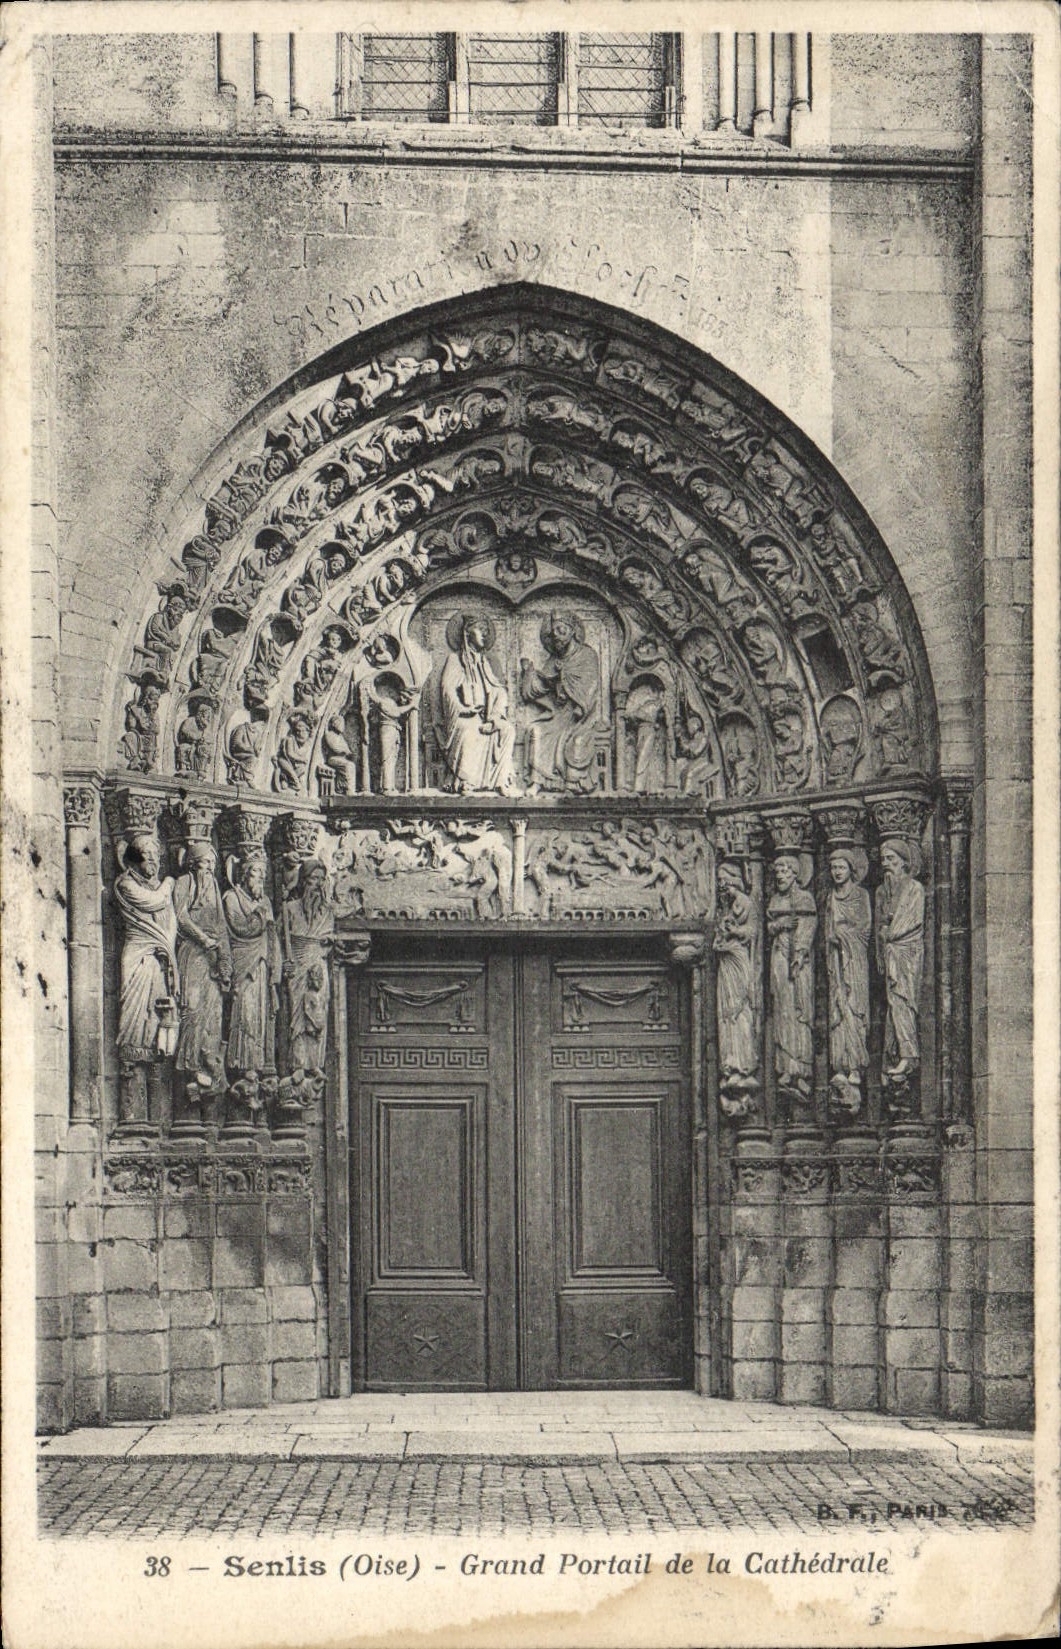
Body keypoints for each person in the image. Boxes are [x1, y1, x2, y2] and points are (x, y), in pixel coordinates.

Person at [520, 612, 601, 792]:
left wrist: (563, 676)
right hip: (558, 714)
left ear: (572, 631)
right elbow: (539, 688)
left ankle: (571, 782)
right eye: (553, 631)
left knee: (574, 740)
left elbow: (590, 686)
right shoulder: (555, 659)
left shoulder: (587, 655)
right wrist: (529, 673)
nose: (556, 634)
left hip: (579, 715)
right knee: (536, 731)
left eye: (561, 629)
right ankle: (537, 781)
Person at [173, 841, 231, 1093]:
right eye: (204, 863)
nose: (208, 868)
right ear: (193, 863)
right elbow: (180, 916)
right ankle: (190, 1065)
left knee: (214, 1012)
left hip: (212, 956)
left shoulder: (214, 886)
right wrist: (203, 939)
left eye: (211, 864)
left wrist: (225, 961)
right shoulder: (184, 882)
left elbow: (220, 924)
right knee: (193, 1007)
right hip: (192, 952)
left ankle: (210, 1067)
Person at [438, 614, 518, 794]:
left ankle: (501, 780)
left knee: (507, 730)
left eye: (487, 631)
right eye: (481, 629)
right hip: (464, 716)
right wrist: (463, 709)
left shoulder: (488, 662)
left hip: (487, 716)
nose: (485, 634)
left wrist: (495, 717)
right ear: (467, 633)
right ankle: (466, 781)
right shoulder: (455, 659)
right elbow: (447, 689)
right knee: (469, 731)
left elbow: (499, 690)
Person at [223, 852, 282, 1075]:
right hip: (243, 965)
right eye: (255, 873)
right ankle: (242, 1063)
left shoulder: (265, 901)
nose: (260, 878)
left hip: (263, 965)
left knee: (261, 1016)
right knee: (245, 1013)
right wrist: (260, 916)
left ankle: (259, 1062)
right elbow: (240, 928)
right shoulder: (231, 897)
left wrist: (276, 971)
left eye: (263, 874)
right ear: (243, 874)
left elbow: (273, 935)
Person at [876, 838, 925, 1082]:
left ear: (905, 862)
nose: (886, 864)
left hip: (907, 954)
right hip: (892, 954)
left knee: (905, 1002)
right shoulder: (884, 892)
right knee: (894, 1004)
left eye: (891, 859)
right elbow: (880, 924)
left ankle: (909, 1054)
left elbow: (912, 921)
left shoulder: (915, 888)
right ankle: (898, 1053)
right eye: (883, 859)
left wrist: (890, 933)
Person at [826, 848, 871, 1109]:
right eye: (833, 868)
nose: (836, 872)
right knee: (838, 1012)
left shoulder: (861, 895)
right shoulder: (831, 897)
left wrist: (843, 934)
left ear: (851, 869)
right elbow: (828, 930)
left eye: (841, 867)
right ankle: (841, 1064)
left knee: (854, 1010)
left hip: (855, 962)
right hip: (836, 963)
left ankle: (855, 1064)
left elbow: (864, 930)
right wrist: (833, 936)